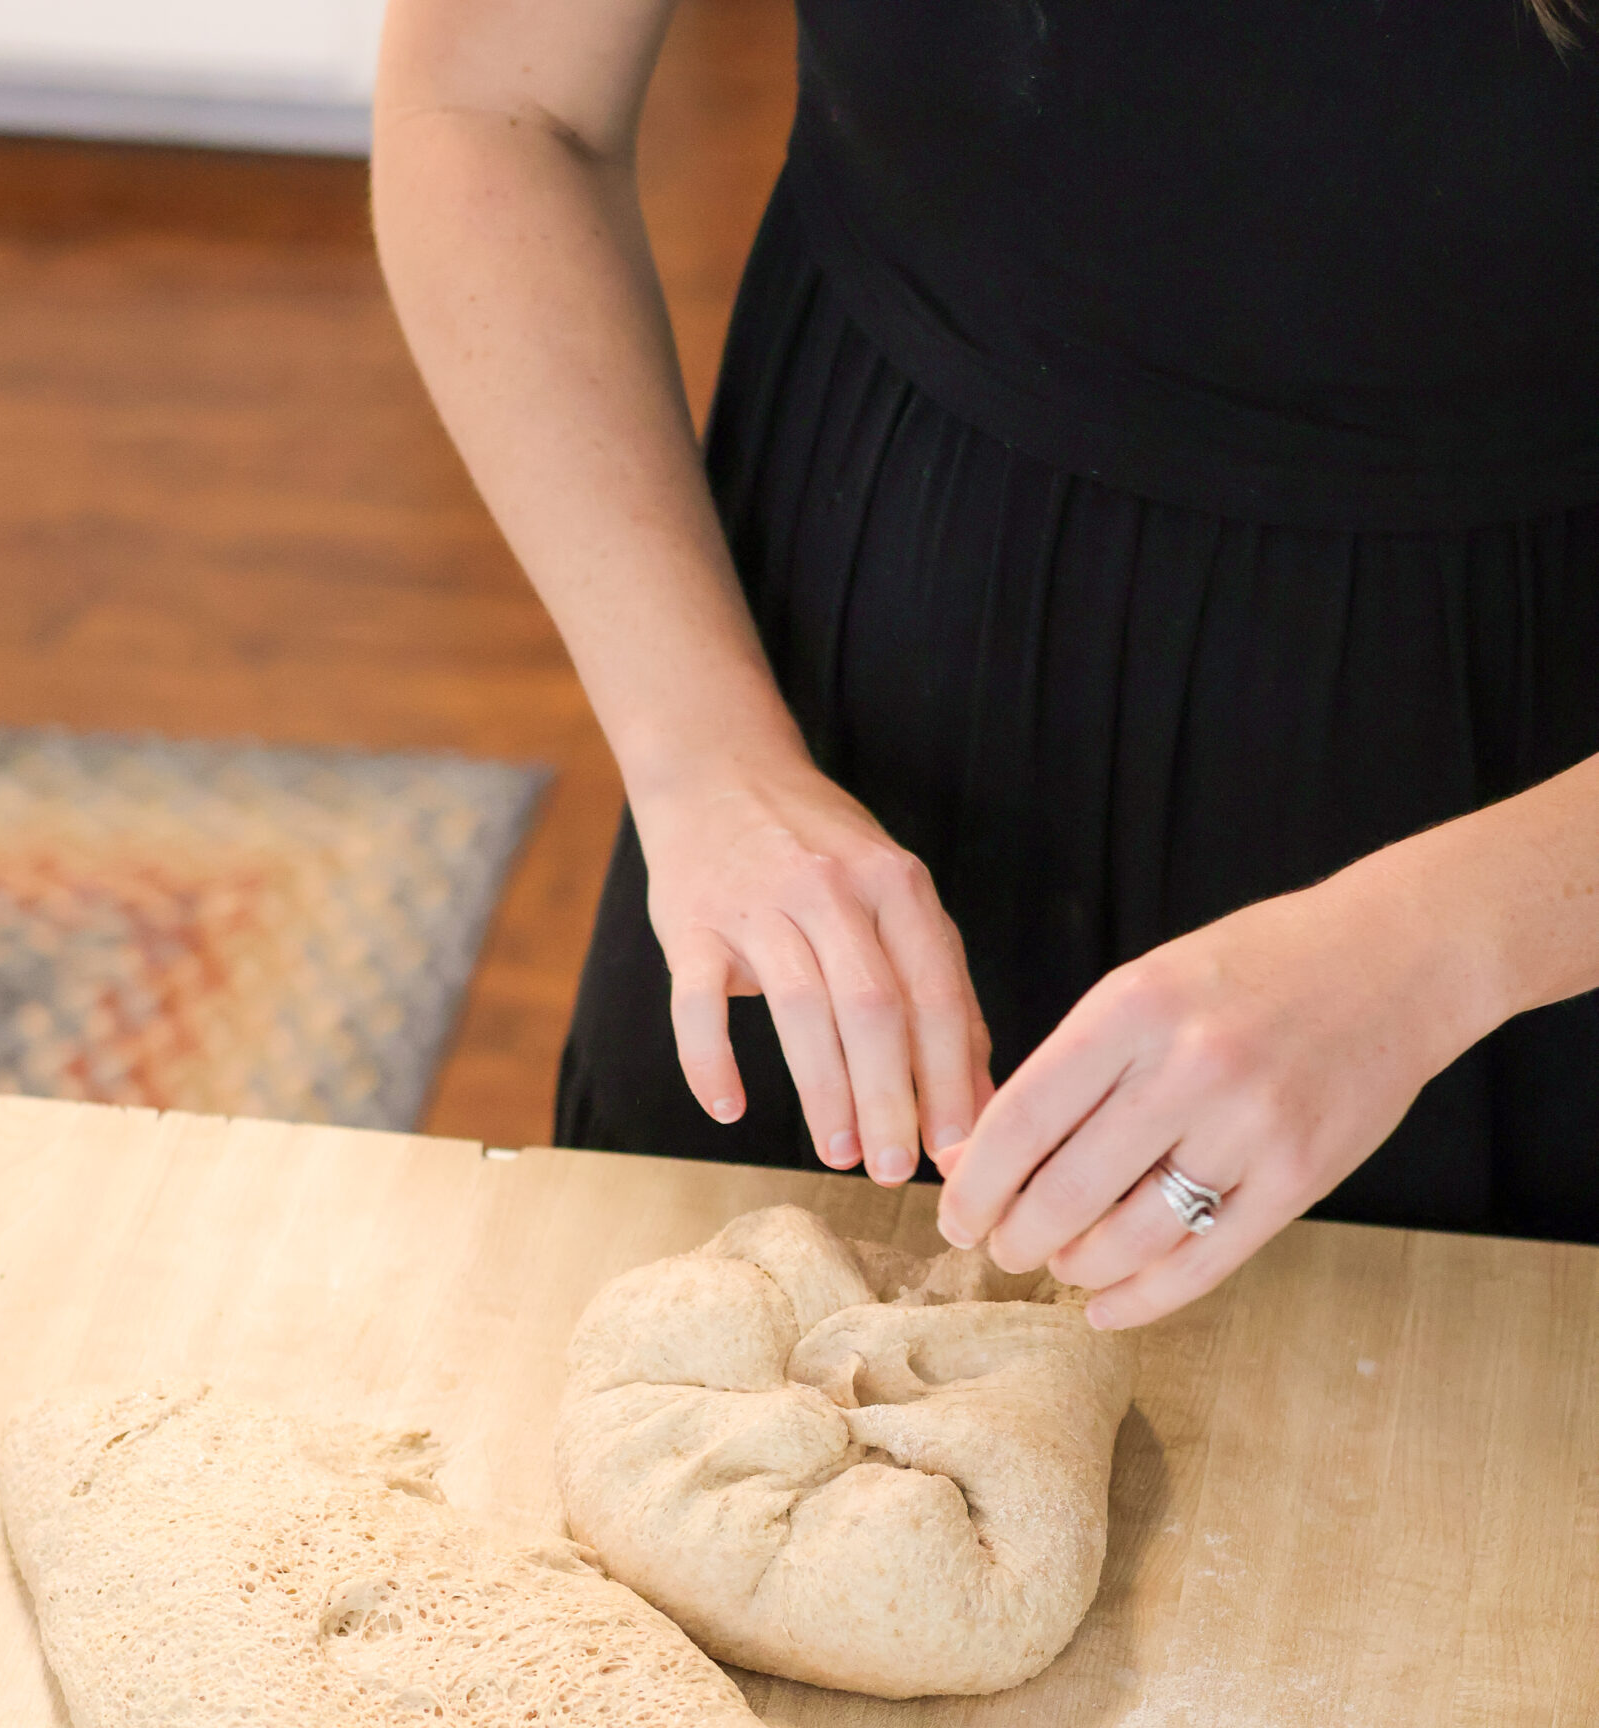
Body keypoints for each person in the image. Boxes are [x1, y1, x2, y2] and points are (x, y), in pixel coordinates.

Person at [373, 0, 1599, 1329]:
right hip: (849, 675)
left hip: (1532, 830)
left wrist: (1445, 951)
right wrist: (705, 752)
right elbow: (494, 108)